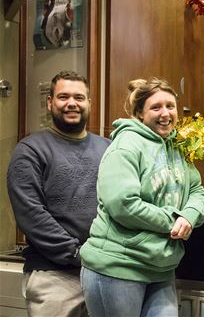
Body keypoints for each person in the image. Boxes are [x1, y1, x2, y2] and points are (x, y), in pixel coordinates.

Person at [80, 77, 204, 317]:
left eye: (170, 106)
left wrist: (189, 216)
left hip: (161, 267)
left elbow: (196, 190)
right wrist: (173, 220)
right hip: (117, 267)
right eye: (156, 107)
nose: (165, 113)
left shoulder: (177, 146)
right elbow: (123, 204)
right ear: (139, 113)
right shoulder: (126, 146)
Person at [7, 70, 110, 317]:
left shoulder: (108, 148)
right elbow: (31, 214)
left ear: (89, 103)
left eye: (79, 97)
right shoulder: (31, 150)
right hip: (54, 277)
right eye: (63, 97)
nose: (72, 103)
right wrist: (77, 253)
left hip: (106, 274)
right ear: (50, 102)